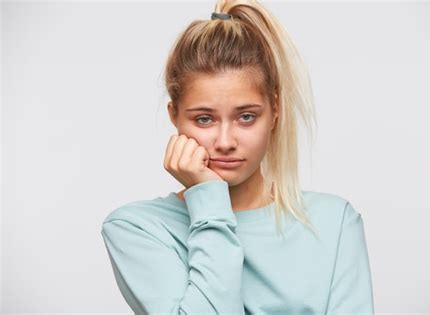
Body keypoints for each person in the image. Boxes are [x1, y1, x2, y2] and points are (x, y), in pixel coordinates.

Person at [100, 0, 375, 314]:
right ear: (174, 116)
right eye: (204, 119)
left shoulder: (334, 222)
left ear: (275, 112)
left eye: (246, 117)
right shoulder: (137, 228)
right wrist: (208, 199)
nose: (225, 142)